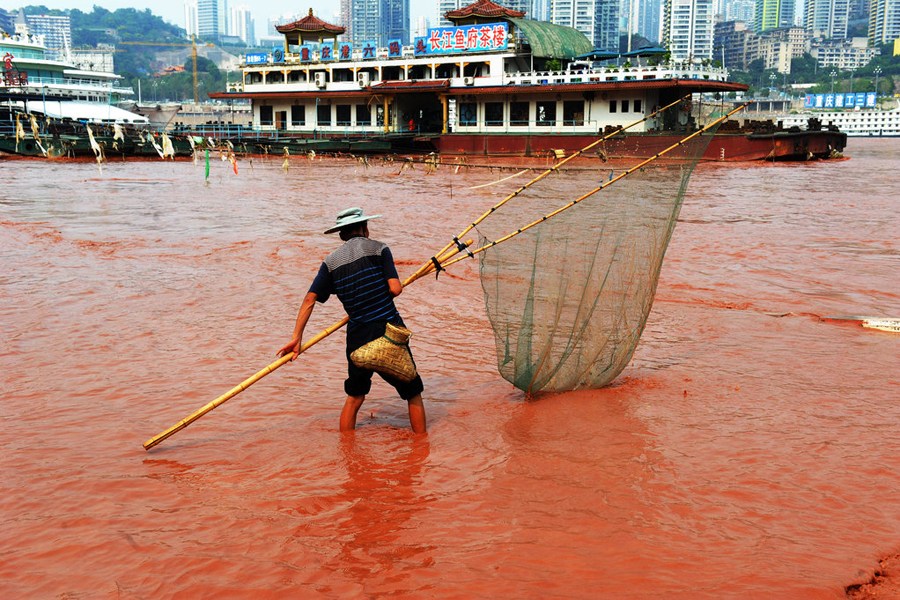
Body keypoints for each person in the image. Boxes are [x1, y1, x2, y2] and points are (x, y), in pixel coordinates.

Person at [278, 207, 427, 433]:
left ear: (340, 235)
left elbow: (310, 299)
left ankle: (347, 452)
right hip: (388, 331)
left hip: (357, 338)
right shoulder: (380, 249)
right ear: (365, 229)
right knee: (412, 393)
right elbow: (395, 289)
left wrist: (296, 338)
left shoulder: (330, 263)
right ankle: (421, 450)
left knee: (355, 397)